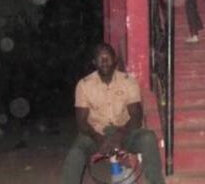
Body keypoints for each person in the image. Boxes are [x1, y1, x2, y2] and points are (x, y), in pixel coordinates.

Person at [60, 43, 165, 184]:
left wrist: (120, 135)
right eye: (100, 58)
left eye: (107, 57)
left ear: (115, 60)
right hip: (95, 133)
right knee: (75, 154)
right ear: (94, 62)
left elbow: (136, 116)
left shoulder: (128, 82)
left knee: (148, 138)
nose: (104, 61)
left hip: (124, 130)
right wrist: (99, 139)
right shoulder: (84, 85)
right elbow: (81, 123)